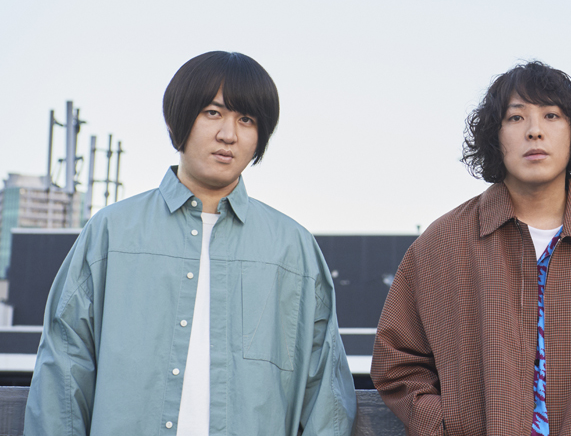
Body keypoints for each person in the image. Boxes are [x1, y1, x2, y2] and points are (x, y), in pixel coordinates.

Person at [25, 51, 356, 436]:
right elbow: (63, 375)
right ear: (177, 119)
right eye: (213, 113)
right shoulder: (112, 233)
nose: (229, 135)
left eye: (247, 120)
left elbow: (326, 398)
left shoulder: (292, 249)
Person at [371, 61, 571, 436]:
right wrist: (445, 426)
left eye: (551, 115)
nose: (534, 131)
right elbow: (397, 361)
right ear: (495, 135)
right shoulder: (442, 245)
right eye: (516, 117)